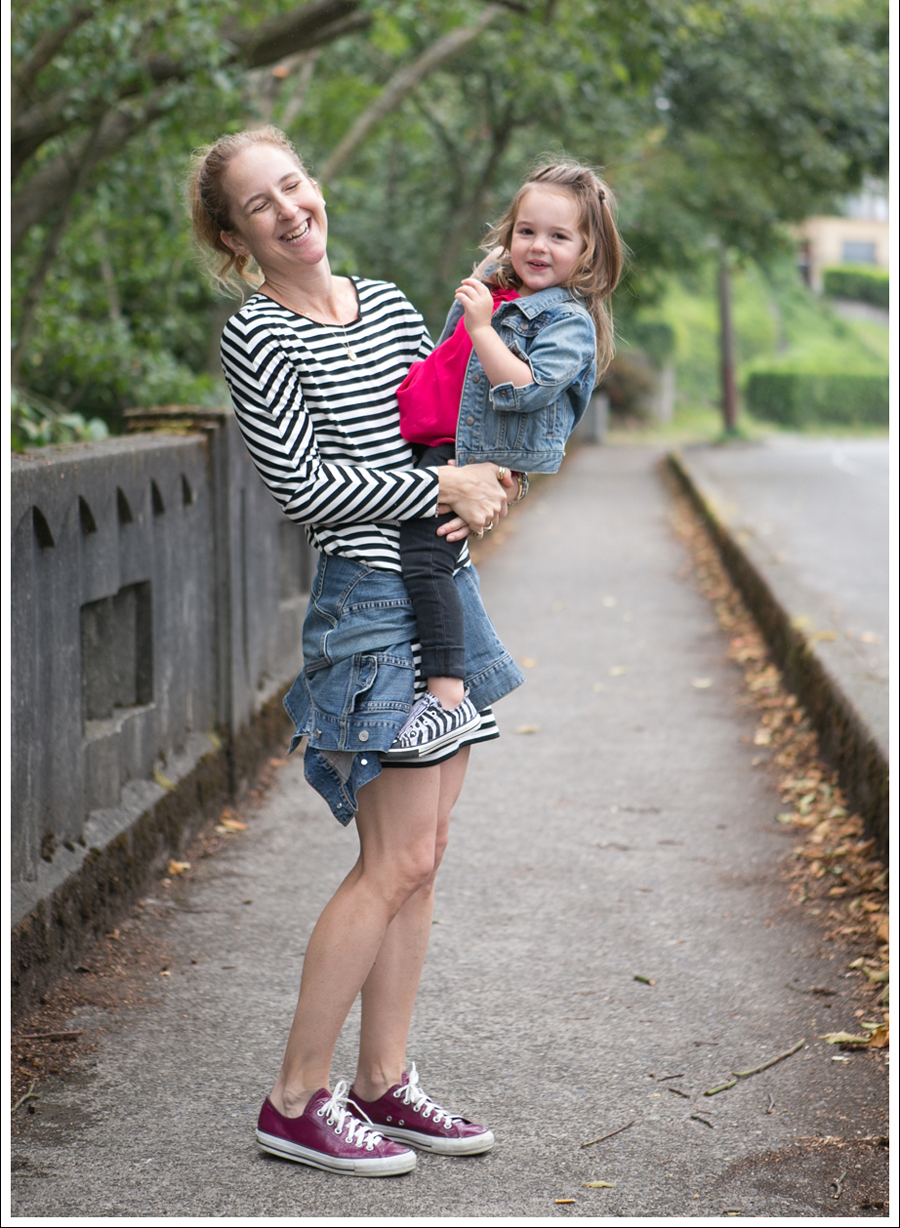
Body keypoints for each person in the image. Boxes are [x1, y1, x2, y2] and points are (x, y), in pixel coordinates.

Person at [188, 125, 524, 1177]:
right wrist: (438, 489)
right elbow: (304, 491)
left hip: (440, 591)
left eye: (293, 183)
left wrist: (479, 479)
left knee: (425, 860)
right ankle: (295, 1097)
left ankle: (381, 1081)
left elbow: (434, 427)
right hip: (367, 607)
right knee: (390, 861)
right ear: (236, 235)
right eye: (259, 203)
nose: (290, 209)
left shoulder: (383, 303)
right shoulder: (257, 333)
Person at [387, 161, 623, 761]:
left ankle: (445, 702)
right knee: (426, 560)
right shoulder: (494, 290)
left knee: (424, 562)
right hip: (430, 442)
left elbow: (529, 388)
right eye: (526, 231)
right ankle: (450, 683)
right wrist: (483, 295)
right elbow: (446, 355)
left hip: (464, 454)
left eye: (558, 236)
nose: (537, 246)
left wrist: (484, 328)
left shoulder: (567, 321)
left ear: (588, 250)